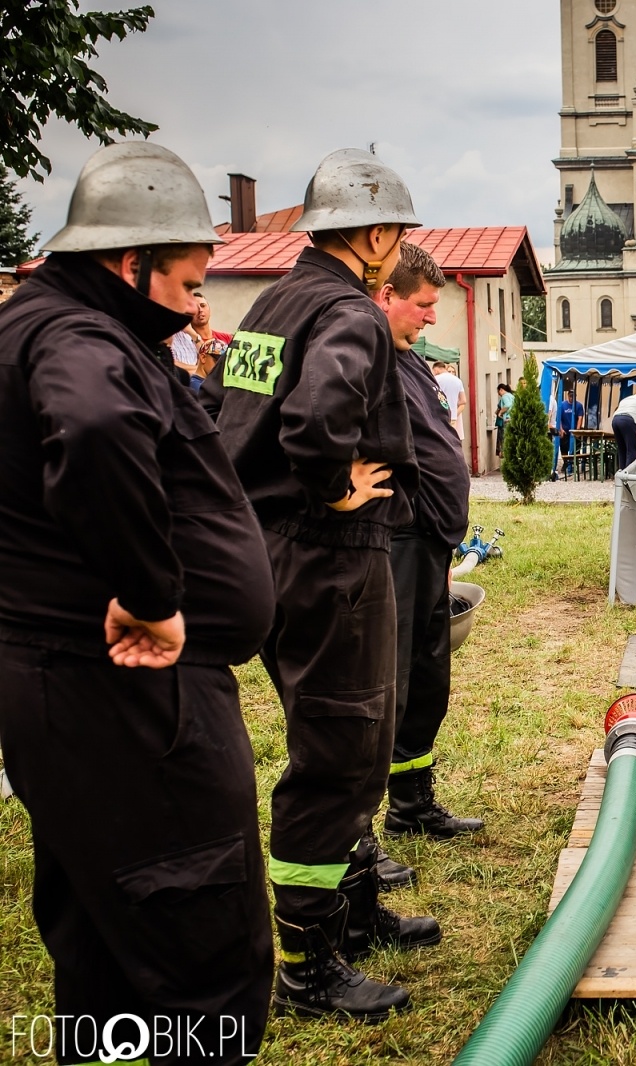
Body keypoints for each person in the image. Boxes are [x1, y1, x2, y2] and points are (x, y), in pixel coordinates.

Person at [0, 142, 275, 1065]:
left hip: (71, 687)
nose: (198, 304)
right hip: (123, 690)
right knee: (195, 928)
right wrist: (153, 594)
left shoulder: (43, 323)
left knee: (106, 930)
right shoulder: (79, 338)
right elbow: (95, 423)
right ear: (130, 263)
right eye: (190, 281)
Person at [203, 148, 432, 1020]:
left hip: (264, 548)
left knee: (340, 734)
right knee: (341, 750)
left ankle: (357, 908)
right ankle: (309, 964)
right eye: (397, 232)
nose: (398, 244)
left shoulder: (271, 302)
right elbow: (312, 420)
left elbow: (235, 412)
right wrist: (335, 485)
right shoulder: (351, 314)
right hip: (329, 554)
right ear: (374, 235)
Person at [373, 241, 482, 852]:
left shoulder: (408, 356)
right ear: (386, 296)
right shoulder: (366, 356)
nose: (432, 316)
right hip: (396, 541)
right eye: (423, 304)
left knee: (426, 678)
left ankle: (412, 804)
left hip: (429, 541)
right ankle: (361, 836)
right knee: (390, 681)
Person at [551, 385, 582, 479]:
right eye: (570, 396)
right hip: (564, 430)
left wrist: (577, 430)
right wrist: (561, 429)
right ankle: (565, 462)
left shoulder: (579, 405)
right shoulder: (562, 405)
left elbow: (580, 418)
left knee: (576, 448)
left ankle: (573, 463)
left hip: (573, 430)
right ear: (568, 395)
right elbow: (558, 418)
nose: (571, 398)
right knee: (563, 448)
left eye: (573, 396)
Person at [431, 357, 466, 439]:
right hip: (453, 416)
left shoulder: (435, 379)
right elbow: (463, 400)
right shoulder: (458, 381)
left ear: (436, 370)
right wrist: (453, 403)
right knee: (452, 439)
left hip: (439, 416)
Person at [494, 381, 514, 456]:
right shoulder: (511, 396)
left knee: (504, 440)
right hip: (512, 419)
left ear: (501, 390)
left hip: (507, 420)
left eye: (499, 392)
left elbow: (507, 405)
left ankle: (503, 453)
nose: (499, 395)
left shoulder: (505, 396)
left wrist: (500, 412)